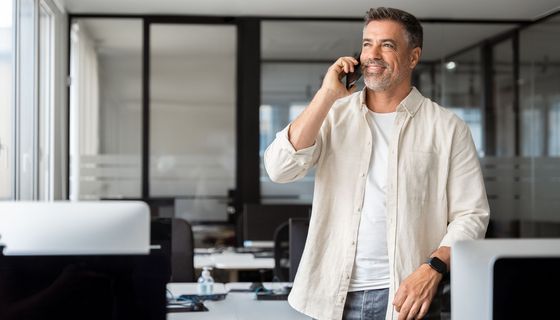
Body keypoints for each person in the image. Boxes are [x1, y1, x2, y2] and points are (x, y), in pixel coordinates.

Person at [264, 7, 489, 320]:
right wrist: (326, 96)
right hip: (331, 295)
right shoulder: (333, 114)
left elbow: (471, 214)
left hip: (407, 297)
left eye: (387, 45)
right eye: (367, 43)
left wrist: (434, 268)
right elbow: (279, 168)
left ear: (413, 56)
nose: (372, 54)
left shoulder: (447, 128)